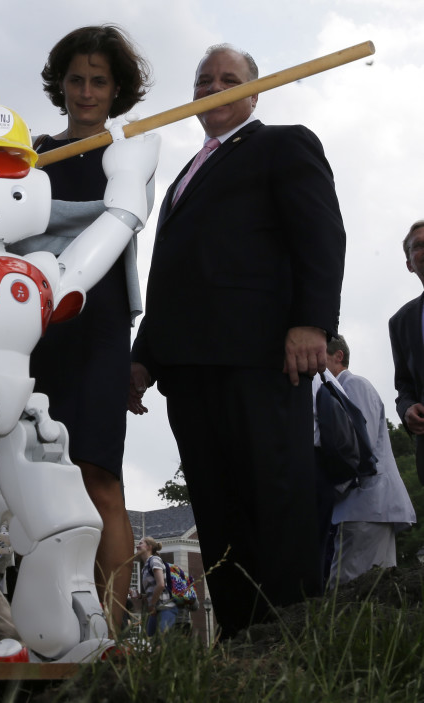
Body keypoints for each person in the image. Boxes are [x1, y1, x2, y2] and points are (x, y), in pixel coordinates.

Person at [129, 44, 346, 637]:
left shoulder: (282, 144)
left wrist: (312, 322)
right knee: (219, 510)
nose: (214, 88)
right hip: (190, 369)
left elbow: (321, 234)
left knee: (273, 499)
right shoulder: (183, 176)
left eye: (229, 79)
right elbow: (173, 274)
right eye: (204, 81)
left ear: (254, 93)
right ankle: (239, 638)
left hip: (258, 358)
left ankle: (291, 635)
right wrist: (143, 356)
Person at [10, 24, 153, 635]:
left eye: (99, 81)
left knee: (99, 476)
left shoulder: (133, 150)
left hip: (97, 328)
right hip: (29, 325)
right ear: (60, 84)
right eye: (76, 80)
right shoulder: (30, 157)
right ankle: (36, 628)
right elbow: (3, 227)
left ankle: (111, 634)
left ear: (116, 88)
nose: (86, 92)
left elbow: (118, 219)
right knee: (27, 475)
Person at [322, 336, 416, 584]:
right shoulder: (349, 386)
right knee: (377, 588)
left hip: (364, 505)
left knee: (346, 590)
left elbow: (359, 447)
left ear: (338, 356)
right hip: (370, 506)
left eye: (321, 356)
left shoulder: (352, 385)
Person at [389, 220, 424, 484]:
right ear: (410, 264)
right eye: (419, 246)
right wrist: (408, 409)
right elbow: (404, 386)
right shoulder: (401, 322)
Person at [135, 537, 176, 636]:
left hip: (166, 608)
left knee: (162, 643)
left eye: (140, 543)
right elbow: (155, 592)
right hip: (156, 610)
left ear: (149, 547)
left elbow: (161, 584)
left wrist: (151, 605)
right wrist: (140, 596)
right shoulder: (145, 567)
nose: (137, 546)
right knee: (150, 641)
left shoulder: (154, 560)